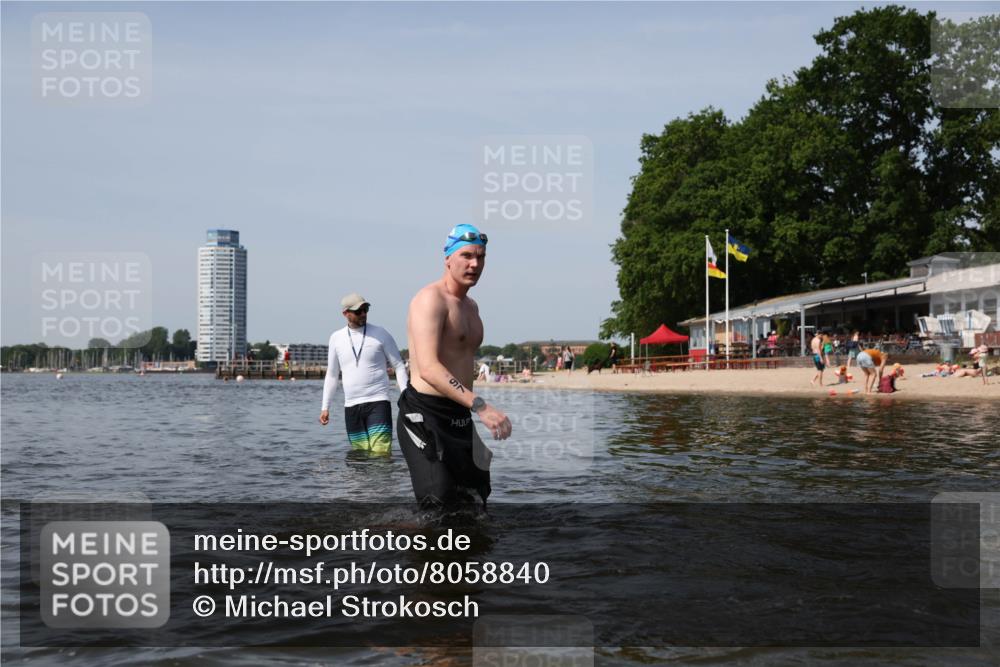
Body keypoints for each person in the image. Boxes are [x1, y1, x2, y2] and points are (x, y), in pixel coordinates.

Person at [396, 224, 511, 508]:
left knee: (474, 502)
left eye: (481, 257)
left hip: (458, 415)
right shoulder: (429, 300)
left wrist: (471, 408)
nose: (475, 264)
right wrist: (481, 406)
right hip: (425, 414)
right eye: (466, 255)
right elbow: (429, 369)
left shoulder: (471, 306)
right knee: (438, 505)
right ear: (447, 258)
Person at [319, 293, 409, 454]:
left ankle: (382, 480)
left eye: (365, 309)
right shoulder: (336, 338)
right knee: (360, 455)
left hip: (378, 402)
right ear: (345, 313)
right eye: (358, 311)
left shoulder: (381, 333)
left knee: (380, 453)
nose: (363, 314)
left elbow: (399, 366)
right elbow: (332, 375)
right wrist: (325, 407)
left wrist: (405, 397)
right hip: (351, 406)